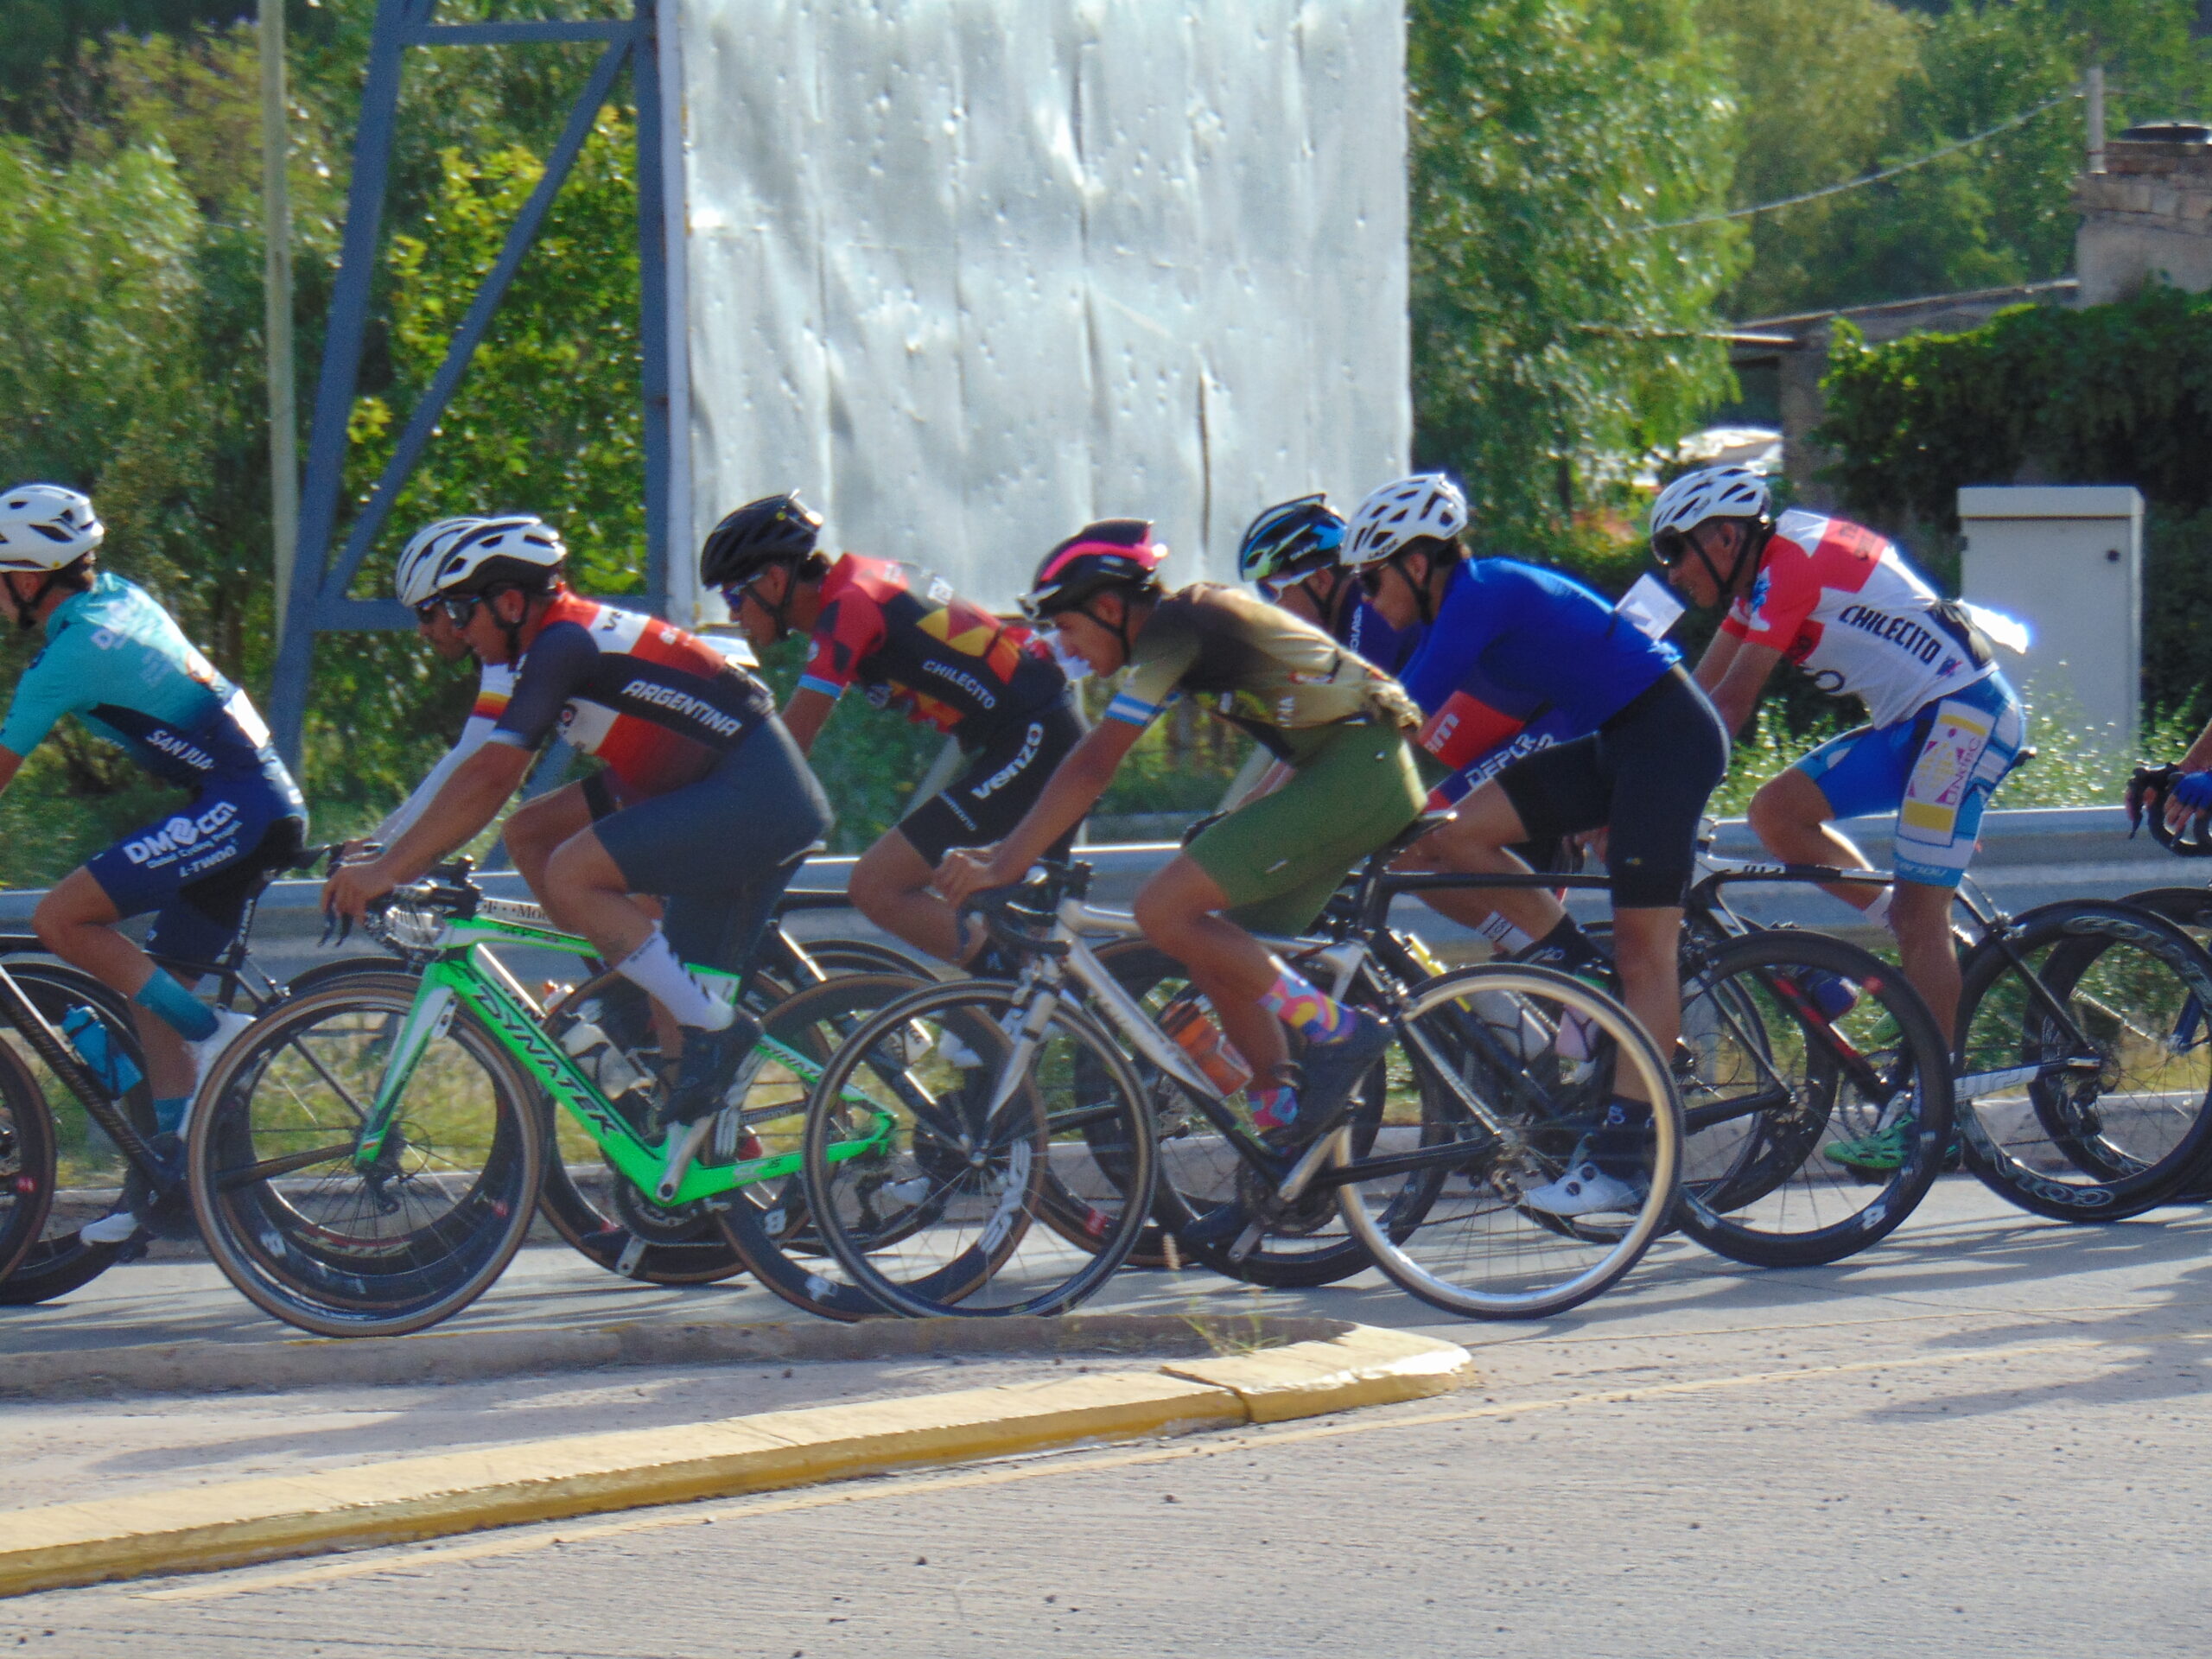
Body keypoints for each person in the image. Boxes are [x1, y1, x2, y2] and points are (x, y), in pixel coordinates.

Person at [936, 518, 1426, 1160]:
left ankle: (1336, 1029)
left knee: (1161, 909)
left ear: (1111, 608)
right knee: (1217, 945)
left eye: (1066, 624)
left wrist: (1007, 861)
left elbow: (1094, 764)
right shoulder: (1180, 632)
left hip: (1359, 772)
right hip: (1353, 769)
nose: (1064, 643)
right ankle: (1284, 1128)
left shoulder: (1174, 628)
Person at [323, 515, 831, 1127]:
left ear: (511, 602)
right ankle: (643, 1002)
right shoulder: (544, 643)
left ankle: (712, 1025)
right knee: (531, 834)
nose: (438, 633)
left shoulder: (562, 643)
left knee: (571, 873)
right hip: (699, 781)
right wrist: (388, 852)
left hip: (751, 793)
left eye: (451, 614)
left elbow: (493, 779)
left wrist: (388, 868)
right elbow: (476, 768)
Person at [1344, 474, 1729, 1217]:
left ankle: (1621, 1161)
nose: (1365, 596)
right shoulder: (1453, 604)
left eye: (1370, 577)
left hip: (1667, 740)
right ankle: (1577, 967)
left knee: (1643, 951)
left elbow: (1397, 718)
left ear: (1417, 565)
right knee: (1453, 836)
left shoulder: (1478, 595)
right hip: (1616, 739)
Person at [1658, 465, 2024, 1166]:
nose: (1673, 573)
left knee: (1919, 920)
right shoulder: (1764, 569)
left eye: (1676, 551)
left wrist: (1652, 793)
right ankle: (1929, 946)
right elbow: (1695, 695)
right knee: (1777, 813)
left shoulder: (1788, 563)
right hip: (1915, 722)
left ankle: (1936, 1114)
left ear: (1725, 536)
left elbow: (1728, 708)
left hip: (1963, 719)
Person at [0, 484, 307, 1242]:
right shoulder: (118, 598)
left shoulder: (67, 658)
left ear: (30, 577)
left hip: (237, 804)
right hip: (252, 797)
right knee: (149, 987)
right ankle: (174, 1185)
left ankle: (217, 1031)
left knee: (61, 917)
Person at [702, 492, 1083, 972]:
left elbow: (792, 740)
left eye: (735, 596)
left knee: (878, 887)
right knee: (1010, 925)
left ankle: (1013, 989)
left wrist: (710, 804)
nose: (734, 614)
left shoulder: (848, 608)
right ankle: (1032, 1002)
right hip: (1033, 734)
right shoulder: (861, 581)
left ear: (775, 581)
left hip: (1035, 739)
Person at [350, 517, 518, 854]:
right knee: (530, 835)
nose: (422, 631)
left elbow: (474, 762)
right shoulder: (503, 654)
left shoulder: (515, 657)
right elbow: (467, 759)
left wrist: (385, 849)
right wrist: (382, 844)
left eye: (427, 613)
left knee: (548, 850)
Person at [1236, 494, 1421, 676]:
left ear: (1321, 582)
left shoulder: (1371, 615)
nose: (1271, 608)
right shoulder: (1351, 612)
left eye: (1271, 591)